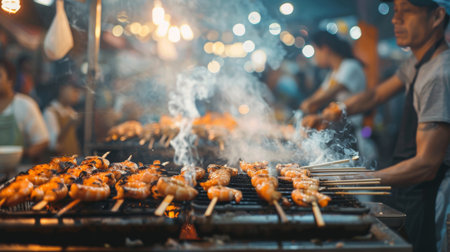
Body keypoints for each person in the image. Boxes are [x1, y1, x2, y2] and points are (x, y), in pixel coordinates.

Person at [302, 0, 449, 251]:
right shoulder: (417, 63)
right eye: (395, 12)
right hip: (413, 186)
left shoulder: (440, 75)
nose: (395, 19)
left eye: (408, 12)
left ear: (436, 17)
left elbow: (426, 165)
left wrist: (359, 179)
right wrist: (333, 112)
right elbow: (374, 96)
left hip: (432, 190)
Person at [0, 58, 49, 163]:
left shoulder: (25, 105)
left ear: (10, 80)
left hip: (18, 172)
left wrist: (22, 154)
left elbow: (42, 141)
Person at [43, 81, 82, 156]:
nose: (77, 94)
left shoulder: (71, 111)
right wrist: (69, 124)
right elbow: (53, 145)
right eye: (74, 90)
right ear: (62, 89)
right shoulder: (50, 112)